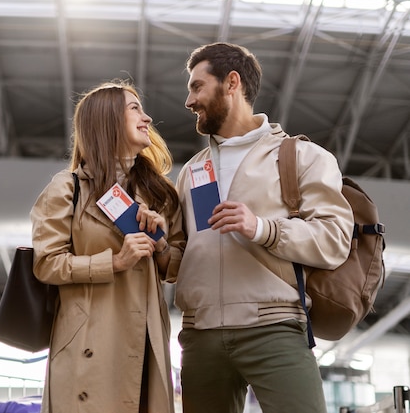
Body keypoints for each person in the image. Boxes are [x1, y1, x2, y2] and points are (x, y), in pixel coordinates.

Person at [174, 42, 354, 412]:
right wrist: (153, 241)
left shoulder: (302, 156)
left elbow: (335, 240)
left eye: (196, 87)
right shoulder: (191, 171)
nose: (189, 101)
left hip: (275, 328)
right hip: (199, 335)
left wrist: (262, 228)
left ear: (231, 83)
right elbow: (179, 255)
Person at [30, 80, 186, 413]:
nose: (147, 119)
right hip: (89, 342)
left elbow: (175, 269)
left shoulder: (160, 195)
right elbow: (47, 264)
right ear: (107, 120)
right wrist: (114, 262)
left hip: (146, 342)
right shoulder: (66, 188)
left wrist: (159, 243)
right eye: (135, 110)